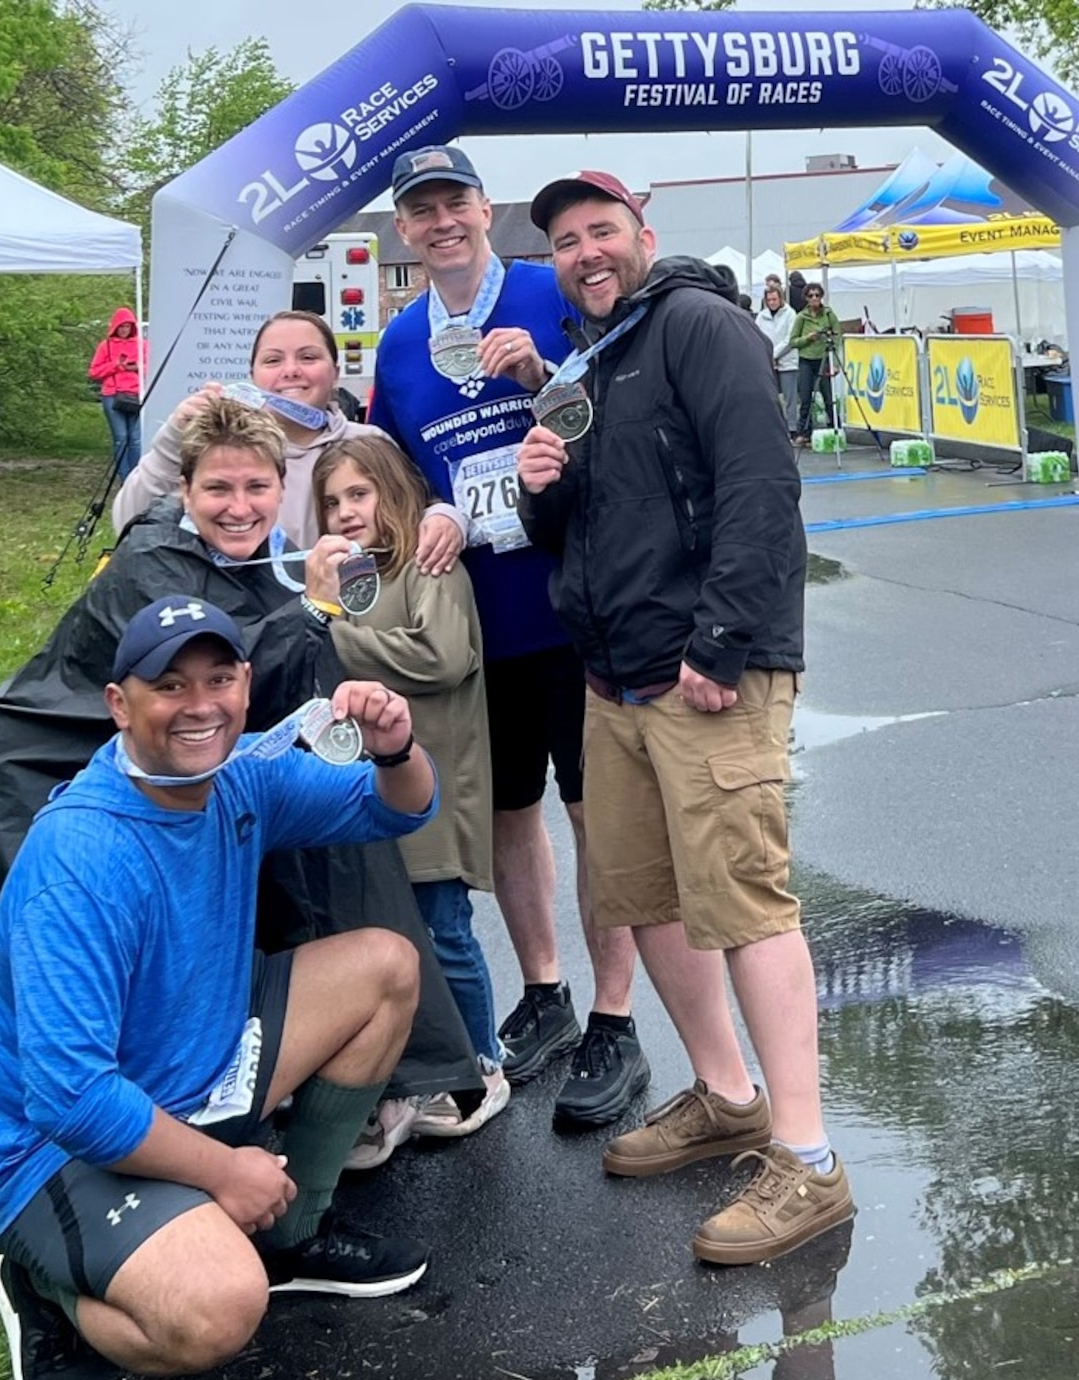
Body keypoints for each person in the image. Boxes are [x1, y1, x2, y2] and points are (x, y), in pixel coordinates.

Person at [0, 398, 482, 1170]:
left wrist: (387, 744)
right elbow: (220, 690)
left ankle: (281, 1105)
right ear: (184, 491)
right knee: (121, 976)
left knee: (285, 898)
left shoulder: (275, 557)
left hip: (214, 789)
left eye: (257, 488)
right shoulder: (151, 563)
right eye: (218, 490)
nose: (240, 508)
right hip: (73, 777)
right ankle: (119, 1132)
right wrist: (315, 608)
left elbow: (283, 709)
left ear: (280, 486)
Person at [0, 594, 440, 1380]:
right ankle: (42, 1283)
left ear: (246, 686)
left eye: (218, 678)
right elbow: (69, 1095)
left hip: (191, 1077)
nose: (200, 705)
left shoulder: (237, 777)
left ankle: (293, 1237)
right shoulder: (79, 857)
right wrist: (226, 1171)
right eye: (169, 686)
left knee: (386, 968)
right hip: (51, 1151)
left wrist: (396, 745)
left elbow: (397, 806)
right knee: (218, 1307)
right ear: (120, 704)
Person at [516, 169, 855, 1266]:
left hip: (705, 673)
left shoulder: (701, 326)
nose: (583, 250)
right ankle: (725, 1094)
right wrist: (539, 485)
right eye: (565, 240)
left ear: (641, 237)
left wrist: (718, 644)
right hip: (612, 678)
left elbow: (761, 487)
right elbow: (584, 520)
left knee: (746, 902)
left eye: (599, 230)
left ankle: (805, 1161)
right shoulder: (586, 361)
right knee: (646, 896)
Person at [369, 143, 649, 1132]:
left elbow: (624, 407)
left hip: (577, 600)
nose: (440, 222)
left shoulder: (553, 290)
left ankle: (615, 1016)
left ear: (487, 211)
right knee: (507, 812)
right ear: (403, 228)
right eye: (421, 211)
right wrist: (424, 515)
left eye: (456, 203)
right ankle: (546, 990)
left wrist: (544, 375)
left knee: (595, 811)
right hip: (476, 623)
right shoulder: (400, 344)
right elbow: (394, 476)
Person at [317, 434, 509, 1138]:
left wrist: (334, 636)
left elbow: (443, 655)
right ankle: (408, 1076)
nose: (343, 511)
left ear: (393, 493)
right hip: (369, 796)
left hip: (438, 787)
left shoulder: (429, 565)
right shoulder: (344, 576)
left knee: (444, 930)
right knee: (383, 935)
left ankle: (483, 1062)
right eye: (331, 500)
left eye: (359, 495)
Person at [110, 309, 462, 550]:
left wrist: (444, 517)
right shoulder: (222, 456)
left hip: (359, 635)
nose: (291, 371)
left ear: (335, 373)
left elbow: (422, 506)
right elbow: (128, 522)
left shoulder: (370, 442)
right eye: (273, 360)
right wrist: (172, 442)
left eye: (308, 358)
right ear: (253, 377)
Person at [89, 308, 146, 481]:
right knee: (121, 438)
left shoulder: (142, 345)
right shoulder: (105, 346)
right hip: (112, 396)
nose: (124, 330)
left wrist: (136, 367)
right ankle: (124, 478)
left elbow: (152, 367)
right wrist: (116, 366)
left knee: (135, 439)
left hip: (136, 395)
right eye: (121, 327)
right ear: (115, 327)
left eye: (127, 327)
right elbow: (93, 372)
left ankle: (136, 479)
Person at [788, 283, 841, 444]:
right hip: (806, 361)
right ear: (806, 298)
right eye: (811, 295)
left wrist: (835, 360)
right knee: (805, 398)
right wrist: (808, 338)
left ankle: (835, 428)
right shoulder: (801, 317)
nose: (814, 298)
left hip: (824, 359)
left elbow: (838, 334)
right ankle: (804, 431)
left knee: (828, 396)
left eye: (817, 295)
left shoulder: (828, 314)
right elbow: (793, 341)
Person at [755, 284, 797, 419]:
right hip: (768, 363)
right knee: (770, 397)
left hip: (788, 361)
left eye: (774, 299)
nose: (772, 303)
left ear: (781, 298)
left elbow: (790, 338)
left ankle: (792, 427)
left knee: (790, 397)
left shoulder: (790, 314)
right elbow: (756, 336)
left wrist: (774, 354)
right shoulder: (761, 316)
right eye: (769, 300)